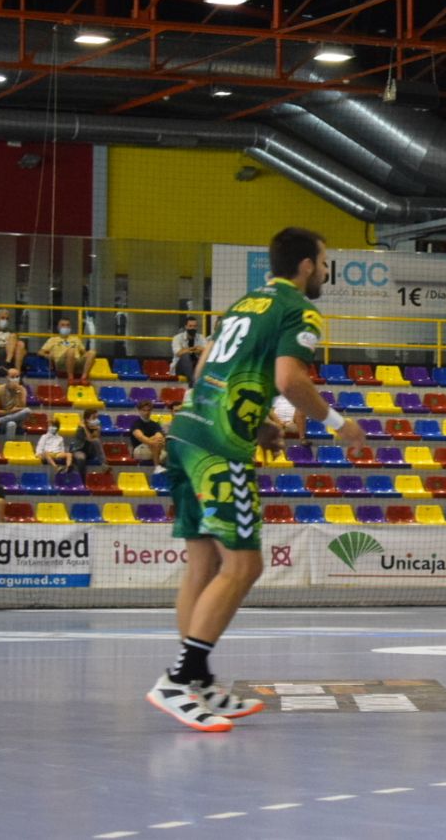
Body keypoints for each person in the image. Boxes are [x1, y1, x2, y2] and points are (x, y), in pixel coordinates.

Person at [147, 227, 360, 732]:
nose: (325, 272)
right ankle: (179, 679)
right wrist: (339, 424)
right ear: (305, 266)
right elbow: (289, 380)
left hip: (186, 433)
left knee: (202, 565)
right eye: (323, 263)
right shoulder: (298, 310)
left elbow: (203, 369)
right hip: (221, 449)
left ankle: (197, 682)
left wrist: (261, 421)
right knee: (244, 565)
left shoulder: (244, 303)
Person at [39, 319, 92, 385]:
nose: (65, 327)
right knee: (71, 351)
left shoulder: (76, 339)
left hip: (76, 361)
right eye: (63, 325)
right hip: (61, 362)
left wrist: (87, 356)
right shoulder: (53, 340)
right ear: (58, 327)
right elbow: (40, 352)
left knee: (92, 352)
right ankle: (70, 378)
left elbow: (84, 353)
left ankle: (84, 378)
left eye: (67, 325)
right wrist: (47, 356)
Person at [0, 369, 29, 438]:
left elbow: (22, 407)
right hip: (2, 417)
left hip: (16, 419)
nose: (15, 379)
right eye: (12, 377)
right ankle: (9, 444)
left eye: (17, 377)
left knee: (27, 411)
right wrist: (10, 411)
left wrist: (18, 392)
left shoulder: (22, 390)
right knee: (11, 424)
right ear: (7, 377)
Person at [131, 400, 167, 466]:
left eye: (148, 410)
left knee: (160, 441)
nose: (146, 412)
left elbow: (159, 436)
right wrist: (153, 442)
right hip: (139, 449)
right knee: (157, 444)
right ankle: (157, 466)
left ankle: (158, 467)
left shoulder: (155, 424)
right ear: (139, 411)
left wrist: (155, 441)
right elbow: (141, 438)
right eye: (144, 410)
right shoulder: (136, 424)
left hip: (153, 447)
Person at [172, 318, 206, 385]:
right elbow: (178, 353)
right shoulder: (177, 338)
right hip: (180, 367)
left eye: (194, 326)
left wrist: (186, 350)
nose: (192, 328)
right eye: (190, 326)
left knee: (205, 358)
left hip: (196, 366)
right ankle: (192, 383)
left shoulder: (201, 338)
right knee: (185, 356)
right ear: (186, 326)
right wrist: (194, 349)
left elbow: (206, 351)